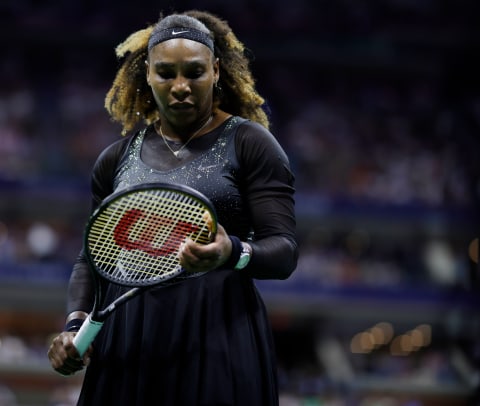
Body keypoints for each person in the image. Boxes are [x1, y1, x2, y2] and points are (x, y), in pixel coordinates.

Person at [47, 9, 298, 406]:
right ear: (147, 73)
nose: (180, 85)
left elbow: (283, 252)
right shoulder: (116, 159)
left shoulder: (251, 144)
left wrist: (231, 252)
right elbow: (90, 259)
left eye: (194, 72)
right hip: (127, 342)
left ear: (216, 70)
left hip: (219, 339)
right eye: (166, 73)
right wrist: (75, 325)